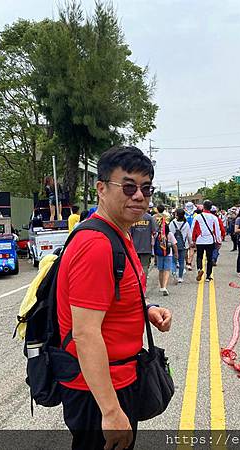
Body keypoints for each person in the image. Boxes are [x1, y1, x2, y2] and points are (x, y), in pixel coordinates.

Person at [56, 145, 171, 449]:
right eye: (129, 186)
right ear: (102, 188)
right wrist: (110, 411)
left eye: (146, 188)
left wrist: (145, 309)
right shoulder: (97, 244)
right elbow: (85, 332)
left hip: (119, 377)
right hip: (100, 389)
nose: (139, 196)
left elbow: (109, 299)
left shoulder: (120, 233)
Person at [191, 200, 222, 282]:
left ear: (203, 207)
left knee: (199, 256)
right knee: (209, 258)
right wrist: (219, 241)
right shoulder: (214, 217)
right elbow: (217, 230)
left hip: (200, 240)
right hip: (210, 240)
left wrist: (193, 240)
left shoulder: (197, 217)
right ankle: (208, 276)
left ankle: (199, 269)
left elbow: (193, 229)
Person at [129, 209, 158, 283]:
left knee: (134, 268)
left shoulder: (132, 218)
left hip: (134, 248)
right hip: (146, 246)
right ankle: (143, 287)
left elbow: (128, 234)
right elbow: (155, 232)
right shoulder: (150, 218)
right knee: (144, 267)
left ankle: (136, 285)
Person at [154, 221, 179, 295]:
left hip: (159, 254)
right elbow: (174, 244)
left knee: (160, 270)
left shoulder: (157, 234)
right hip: (168, 254)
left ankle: (161, 286)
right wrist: (176, 253)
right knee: (167, 270)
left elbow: (153, 244)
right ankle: (164, 287)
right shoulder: (170, 234)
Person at [169, 208, 192, 283]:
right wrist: (190, 243)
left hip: (174, 245)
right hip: (184, 245)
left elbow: (170, 234)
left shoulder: (172, 223)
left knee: (174, 261)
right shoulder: (186, 223)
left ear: (176, 215)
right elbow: (189, 236)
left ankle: (174, 273)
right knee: (182, 261)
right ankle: (180, 277)